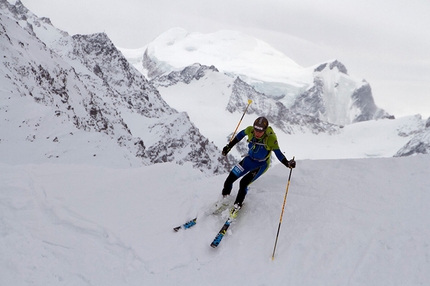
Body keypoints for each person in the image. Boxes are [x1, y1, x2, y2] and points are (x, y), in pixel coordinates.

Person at [221, 116, 296, 216]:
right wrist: (229, 147)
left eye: (260, 131)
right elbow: (240, 135)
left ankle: (237, 206)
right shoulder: (250, 130)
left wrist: (287, 163)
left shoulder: (270, 139)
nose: (257, 133)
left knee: (243, 183)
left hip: (261, 164)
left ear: (265, 130)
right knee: (230, 179)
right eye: (256, 130)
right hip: (248, 160)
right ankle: (224, 199)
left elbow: (278, 153)